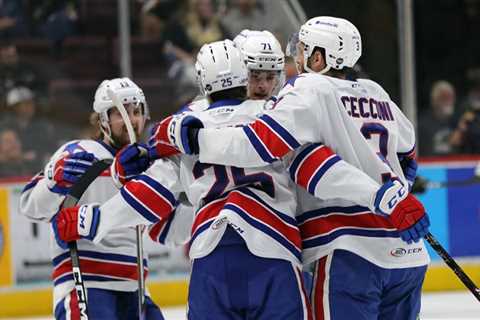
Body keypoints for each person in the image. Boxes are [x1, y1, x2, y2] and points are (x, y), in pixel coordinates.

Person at [157, 17, 431, 319]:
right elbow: (408, 155)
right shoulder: (376, 92)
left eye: (301, 50)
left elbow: (263, 146)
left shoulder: (306, 89)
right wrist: (395, 193)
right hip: (407, 253)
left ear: (318, 58)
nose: (295, 61)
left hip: (349, 249)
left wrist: (195, 138)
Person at [52, 40, 314, 319]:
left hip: (210, 257)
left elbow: (151, 192)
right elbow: (320, 170)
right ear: (245, 75)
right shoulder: (278, 114)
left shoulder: (180, 126)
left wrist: (92, 220)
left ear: (202, 81)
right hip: (274, 248)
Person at [19, 78, 166, 319]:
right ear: (102, 121)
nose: (131, 120)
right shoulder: (79, 153)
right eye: (121, 113)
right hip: (86, 287)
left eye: (137, 111)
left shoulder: (147, 164)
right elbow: (31, 207)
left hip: (135, 289)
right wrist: (54, 183)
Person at [418, 80, 458, 156]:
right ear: (434, 100)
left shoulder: (458, 122)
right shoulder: (423, 124)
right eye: (444, 98)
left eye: (450, 97)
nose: (448, 101)